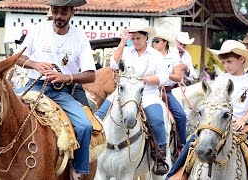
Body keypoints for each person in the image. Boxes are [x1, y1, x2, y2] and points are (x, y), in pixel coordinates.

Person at [167, 40, 248, 180]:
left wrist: (243, 119)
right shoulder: (221, 79)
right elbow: (213, 100)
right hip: (217, 124)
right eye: (224, 63)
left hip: (240, 126)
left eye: (229, 62)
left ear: (241, 59)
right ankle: (172, 175)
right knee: (190, 144)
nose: (226, 66)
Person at [16, 0, 95, 176]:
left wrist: (66, 77)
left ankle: (78, 170)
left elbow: (91, 74)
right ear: (51, 11)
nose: (59, 16)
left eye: (64, 11)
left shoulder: (80, 38)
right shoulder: (38, 30)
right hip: (33, 86)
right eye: (56, 11)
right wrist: (34, 64)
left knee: (84, 126)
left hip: (61, 92)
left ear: (72, 12)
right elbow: (18, 58)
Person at [95, 19, 170, 175]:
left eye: (138, 38)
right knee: (98, 116)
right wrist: (122, 42)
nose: (135, 41)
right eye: (133, 38)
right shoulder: (127, 52)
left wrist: (145, 80)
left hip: (148, 94)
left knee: (156, 120)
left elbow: (163, 76)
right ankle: (91, 149)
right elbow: (114, 65)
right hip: (123, 92)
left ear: (146, 38)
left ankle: (160, 157)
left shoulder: (155, 55)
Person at [151, 27, 187, 145]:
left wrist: (165, 75)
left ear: (165, 42)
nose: (153, 43)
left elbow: (178, 77)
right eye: (153, 41)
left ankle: (181, 146)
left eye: (157, 41)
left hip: (166, 91)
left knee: (181, 116)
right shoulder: (149, 54)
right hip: (150, 90)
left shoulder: (173, 57)